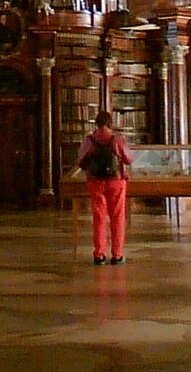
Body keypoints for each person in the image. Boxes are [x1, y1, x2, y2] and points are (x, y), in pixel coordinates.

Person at [76, 110, 132, 265]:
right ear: (110, 123)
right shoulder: (118, 139)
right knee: (117, 217)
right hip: (116, 181)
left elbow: (80, 161)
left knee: (99, 216)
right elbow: (128, 159)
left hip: (95, 182)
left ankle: (99, 254)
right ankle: (117, 254)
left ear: (96, 123)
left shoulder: (89, 140)